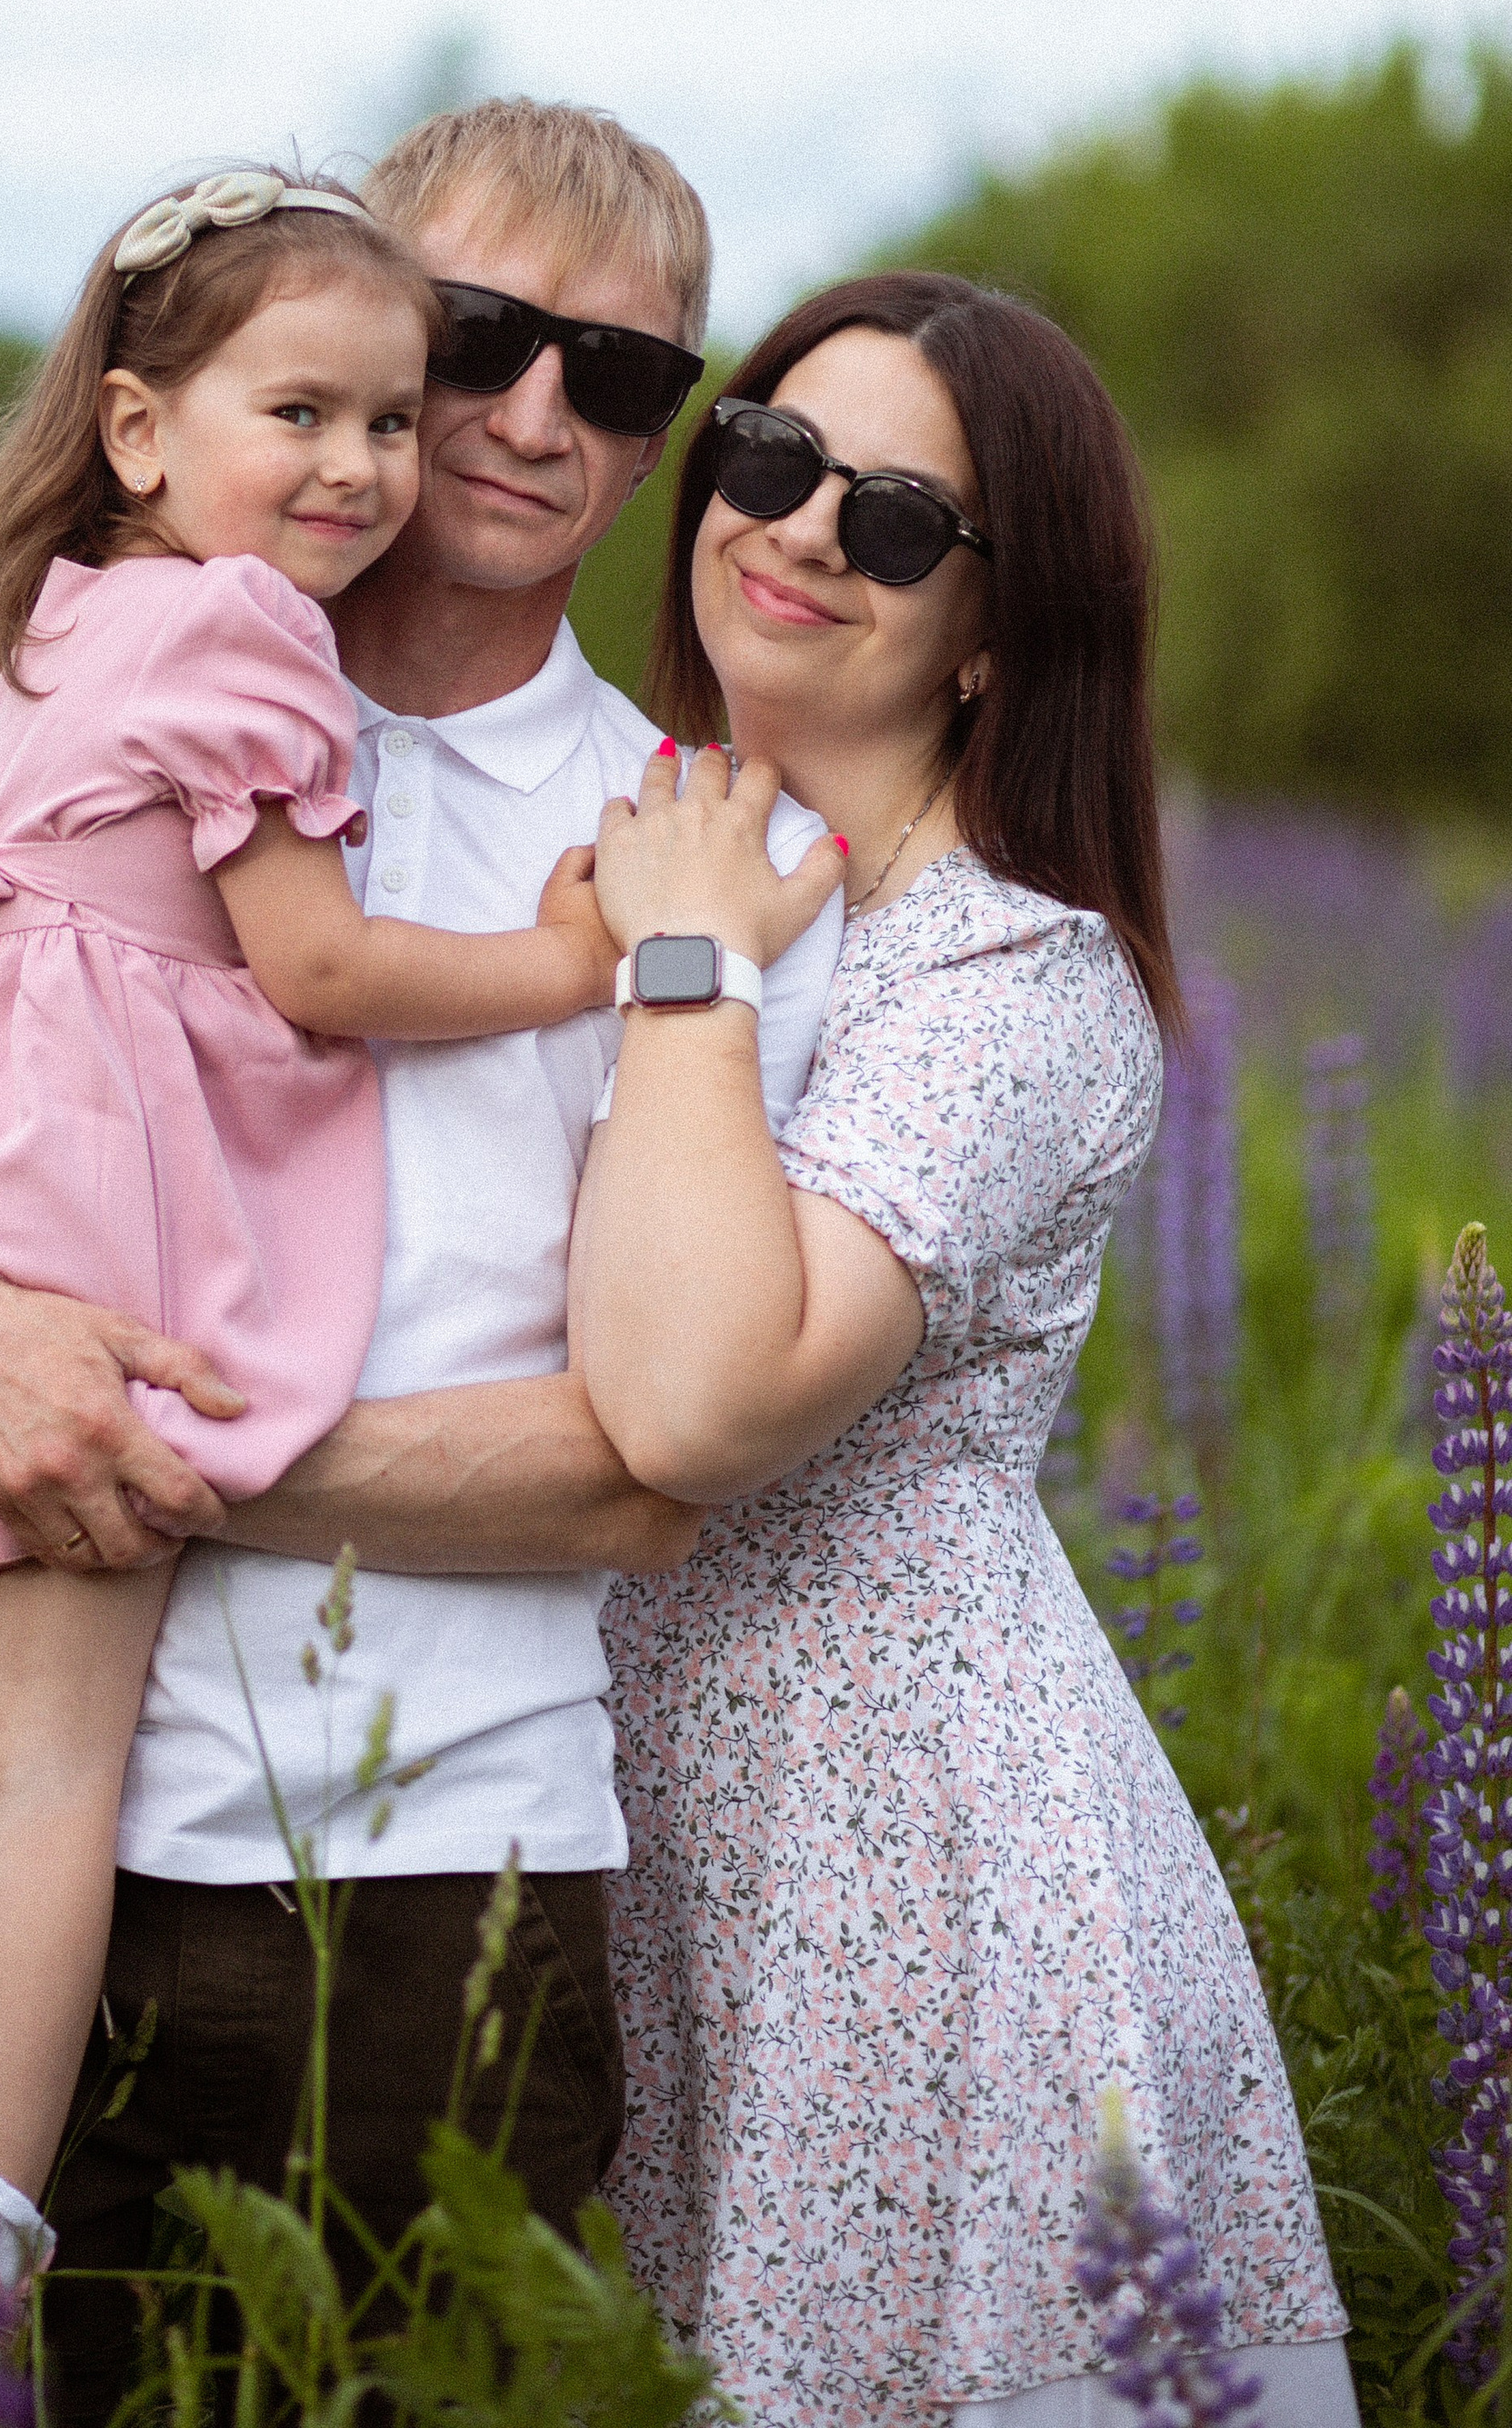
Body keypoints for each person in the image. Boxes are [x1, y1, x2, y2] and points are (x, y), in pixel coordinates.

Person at [0, 101, 847, 2416]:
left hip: (416, 1896)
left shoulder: (684, 857)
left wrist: (124, 1441)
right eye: (478, 334)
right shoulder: (39, 715)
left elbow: (643, 1469)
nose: (523, 413)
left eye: (621, 378)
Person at [568, 270, 1355, 2426]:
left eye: (900, 519)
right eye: (767, 457)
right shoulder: (640, 846)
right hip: (608, 1807)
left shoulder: (1005, 974)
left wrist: (682, 969)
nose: (804, 528)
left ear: (999, 630)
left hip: (884, 1859)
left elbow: (699, 1399)